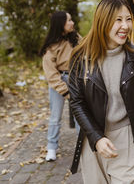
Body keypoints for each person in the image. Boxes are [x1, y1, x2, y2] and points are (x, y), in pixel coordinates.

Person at [68, 0, 134, 183]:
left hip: (127, 139)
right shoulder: (81, 57)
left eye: (128, 19)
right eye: (118, 20)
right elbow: (77, 102)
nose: (125, 26)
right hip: (93, 142)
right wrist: (96, 137)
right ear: (103, 21)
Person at [40, 11, 80, 162]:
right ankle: (51, 147)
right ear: (61, 24)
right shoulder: (51, 47)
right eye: (69, 20)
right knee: (55, 116)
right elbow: (51, 75)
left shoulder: (75, 38)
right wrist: (65, 91)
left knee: (80, 114)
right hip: (59, 82)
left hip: (76, 78)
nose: (72, 23)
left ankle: (83, 145)